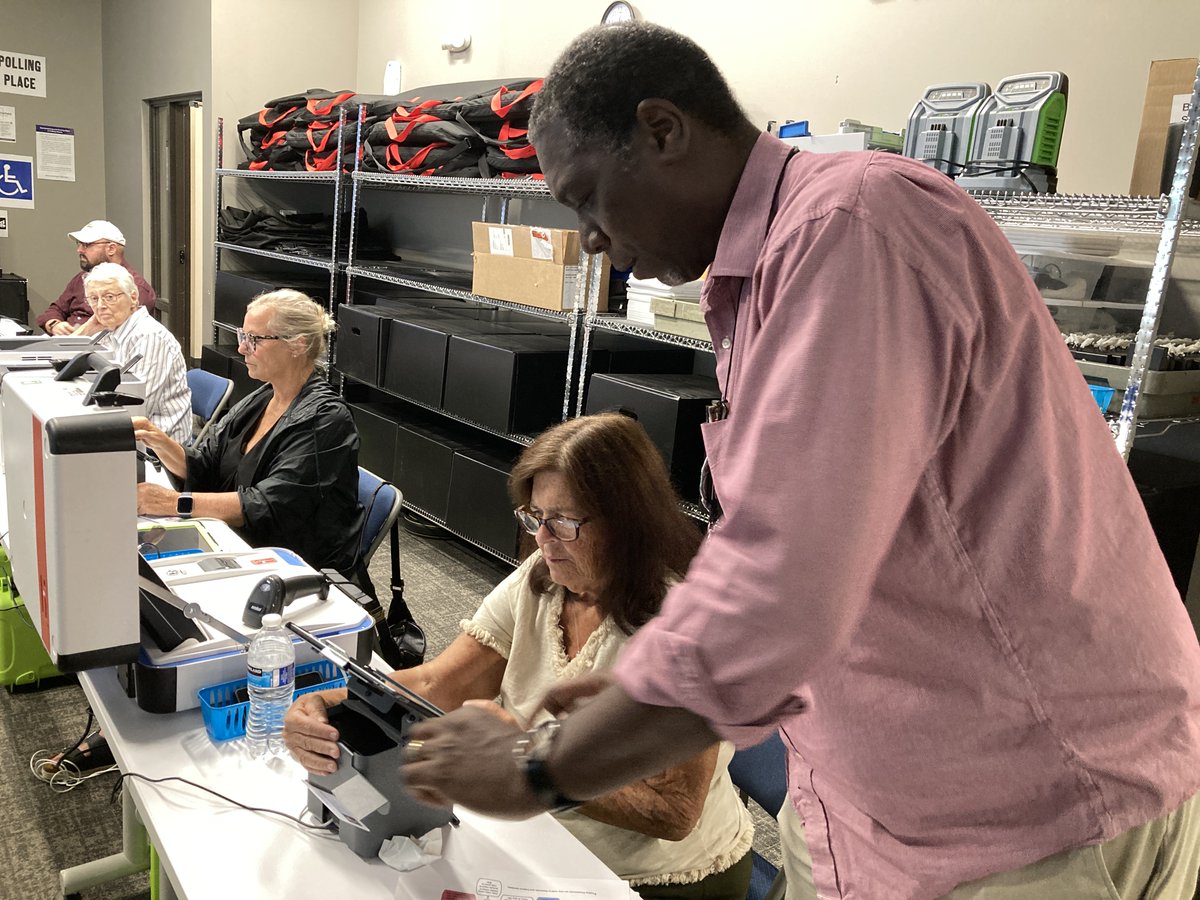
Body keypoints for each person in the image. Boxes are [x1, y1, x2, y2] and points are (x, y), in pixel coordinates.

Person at [399, 22, 1200, 900]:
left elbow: (783, 571)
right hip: (877, 802)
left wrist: (540, 769)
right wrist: (641, 697)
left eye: (587, 198)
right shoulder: (754, 273)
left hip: (1026, 811)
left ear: (663, 130)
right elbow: (800, 544)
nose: (589, 239)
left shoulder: (851, 226)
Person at [283, 413, 755, 899]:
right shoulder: (546, 579)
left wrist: (530, 760)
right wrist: (332, 705)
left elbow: (675, 813)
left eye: (565, 521)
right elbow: (438, 684)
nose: (542, 538)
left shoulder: (680, 623)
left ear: (627, 521)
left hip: (651, 877)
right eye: (535, 517)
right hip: (543, 834)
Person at [134, 289, 364, 577]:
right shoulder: (263, 397)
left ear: (298, 345)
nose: (242, 348)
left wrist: (172, 502)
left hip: (296, 568)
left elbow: (267, 506)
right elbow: (208, 463)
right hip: (243, 543)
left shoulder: (327, 419)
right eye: (244, 336)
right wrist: (159, 441)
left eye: (254, 339)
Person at [82, 262, 191, 445]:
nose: (100, 306)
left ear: (133, 297)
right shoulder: (112, 329)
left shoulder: (150, 337)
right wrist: (88, 327)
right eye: (93, 298)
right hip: (127, 429)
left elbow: (139, 405)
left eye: (109, 297)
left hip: (157, 448)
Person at [37, 219, 156, 335]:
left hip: (94, 349)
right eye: (79, 244)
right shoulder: (82, 278)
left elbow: (111, 329)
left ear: (111, 249)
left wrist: (73, 340)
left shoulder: (134, 287)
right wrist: (54, 325)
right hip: (66, 343)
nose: (79, 250)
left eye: (87, 245)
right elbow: (56, 309)